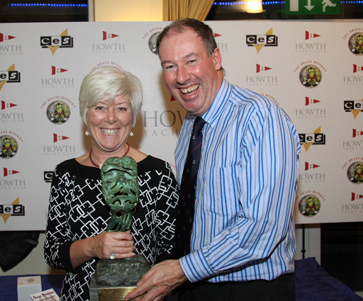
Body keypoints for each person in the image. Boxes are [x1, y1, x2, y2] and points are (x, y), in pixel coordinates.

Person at [125, 18, 300, 301]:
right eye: (170, 66)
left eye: (191, 60)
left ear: (216, 58)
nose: (181, 77)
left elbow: (262, 229)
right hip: (195, 285)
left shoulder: (259, 117)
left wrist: (183, 269)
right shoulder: (192, 125)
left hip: (250, 291)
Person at [44, 65, 180, 301]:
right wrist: (93, 246)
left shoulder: (157, 172)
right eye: (99, 107)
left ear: (133, 117)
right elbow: (54, 253)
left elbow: (174, 253)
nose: (110, 118)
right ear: (86, 115)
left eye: (121, 108)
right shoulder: (66, 174)